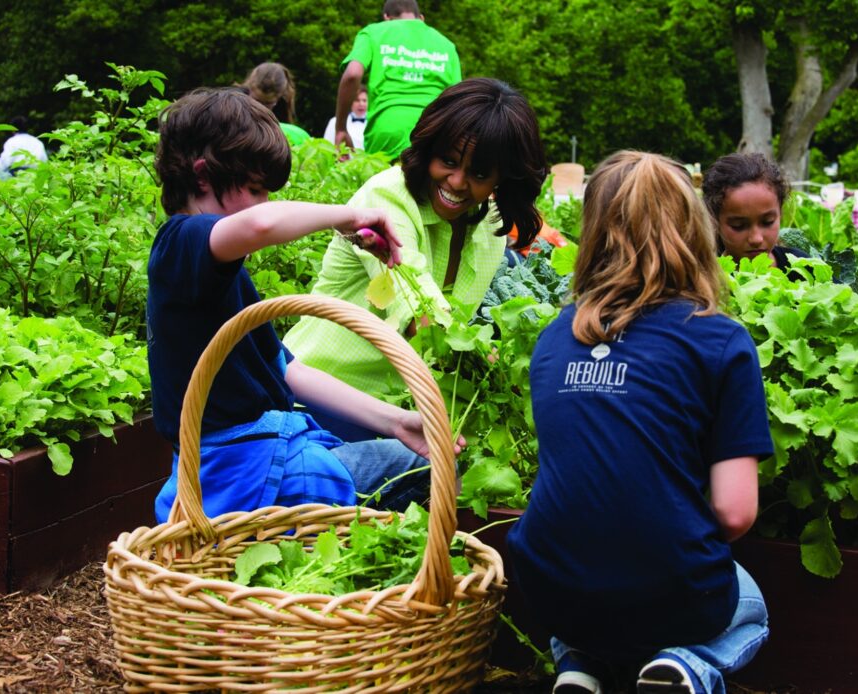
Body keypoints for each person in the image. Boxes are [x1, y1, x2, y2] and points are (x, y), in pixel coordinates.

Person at [507, 151, 773, 694]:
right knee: (752, 610)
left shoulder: (557, 337)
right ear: (696, 229)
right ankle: (686, 669)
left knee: (590, 593)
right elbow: (735, 512)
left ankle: (579, 667)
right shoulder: (720, 339)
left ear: (592, 231)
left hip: (548, 584)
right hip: (672, 588)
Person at [148, 87, 450, 524]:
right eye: (255, 189)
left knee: (407, 453)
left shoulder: (222, 278)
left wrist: (397, 421)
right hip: (245, 477)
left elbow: (289, 371)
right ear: (202, 176)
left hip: (266, 461)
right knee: (429, 471)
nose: (265, 203)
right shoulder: (179, 244)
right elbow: (260, 224)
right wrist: (350, 216)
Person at [284, 77, 547, 400]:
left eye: (479, 174)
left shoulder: (490, 231)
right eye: (448, 162)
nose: (457, 182)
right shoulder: (387, 197)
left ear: (502, 177)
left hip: (398, 408)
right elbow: (422, 320)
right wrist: (506, 371)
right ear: (430, 147)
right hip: (312, 391)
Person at [334, 0, 460, 161]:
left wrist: (341, 129)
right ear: (421, 18)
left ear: (386, 17)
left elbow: (352, 74)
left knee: (382, 185)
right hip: (434, 131)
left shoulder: (373, 32)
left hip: (387, 129)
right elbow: (458, 97)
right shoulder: (447, 45)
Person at [701, 152, 808, 272]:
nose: (756, 239)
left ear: (780, 214)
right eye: (738, 226)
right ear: (714, 221)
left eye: (768, 222)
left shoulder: (803, 267)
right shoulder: (705, 279)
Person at [240, 62, 313, 147]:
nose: (260, 108)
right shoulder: (233, 107)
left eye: (267, 103)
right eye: (256, 101)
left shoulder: (286, 127)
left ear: (279, 97)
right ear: (249, 89)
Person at [324, 85, 369, 150]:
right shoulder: (335, 121)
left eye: (364, 100)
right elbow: (327, 146)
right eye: (357, 100)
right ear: (350, 102)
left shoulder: (375, 123)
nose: (361, 104)